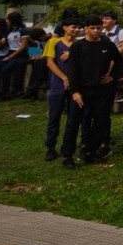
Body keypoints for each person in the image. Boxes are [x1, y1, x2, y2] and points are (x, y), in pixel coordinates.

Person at [67, 15, 123, 168]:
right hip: (81, 90)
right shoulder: (77, 46)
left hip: (101, 89)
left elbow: (119, 60)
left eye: (98, 28)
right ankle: (68, 154)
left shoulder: (107, 44)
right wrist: (74, 90)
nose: (96, 31)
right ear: (86, 29)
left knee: (100, 121)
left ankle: (91, 151)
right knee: (73, 122)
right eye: (92, 28)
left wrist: (112, 76)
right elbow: (72, 69)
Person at [43, 18, 80, 163]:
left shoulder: (79, 44)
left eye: (78, 27)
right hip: (57, 85)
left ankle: (68, 146)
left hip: (75, 87)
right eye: (73, 27)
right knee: (54, 116)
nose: (76, 30)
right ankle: (50, 146)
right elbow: (49, 62)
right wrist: (64, 77)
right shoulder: (53, 42)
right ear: (65, 28)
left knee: (73, 119)